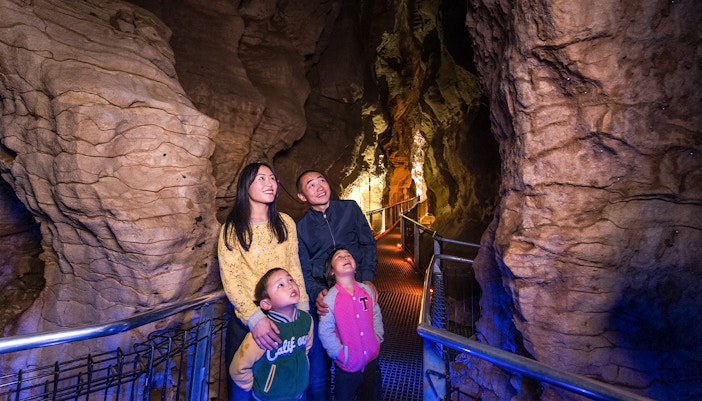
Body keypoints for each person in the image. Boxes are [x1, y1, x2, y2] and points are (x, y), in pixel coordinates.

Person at [219, 162, 310, 400]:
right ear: (245, 186)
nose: (269, 183)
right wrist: (255, 318)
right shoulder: (232, 230)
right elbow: (231, 279)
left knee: (289, 378)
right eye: (261, 178)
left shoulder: (285, 223)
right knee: (244, 387)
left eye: (272, 178)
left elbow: (294, 267)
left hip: (289, 313)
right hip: (251, 317)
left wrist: (303, 309)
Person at [295, 170, 379, 400]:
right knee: (322, 363)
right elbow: (302, 266)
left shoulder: (349, 209)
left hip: (356, 289)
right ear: (302, 196)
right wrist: (315, 293)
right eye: (311, 185)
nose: (319, 186)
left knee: (366, 349)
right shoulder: (300, 227)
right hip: (326, 299)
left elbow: (367, 244)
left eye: (322, 180)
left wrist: (368, 278)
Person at [229, 268, 313, 401]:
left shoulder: (306, 320)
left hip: (299, 395)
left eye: (290, 280)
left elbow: (306, 349)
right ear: (267, 304)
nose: (290, 284)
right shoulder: (264, 332)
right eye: (281, 285)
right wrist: (258, 388)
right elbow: (239, 368)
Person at [318, 247, 384, 401]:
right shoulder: (330, 299)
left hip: (370, 361)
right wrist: (341, 354)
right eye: (339, 256)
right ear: (332, 271)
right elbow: (325, 332)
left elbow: (375, 314)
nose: (346, 257)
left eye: (349, 255)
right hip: (347, 366)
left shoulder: (366, 290)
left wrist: (377, 338)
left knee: (372, 396)